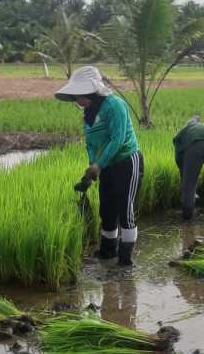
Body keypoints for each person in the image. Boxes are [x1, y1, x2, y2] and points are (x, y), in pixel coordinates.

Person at [55, 66, 143, 266]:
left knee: (125, 210)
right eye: (75, 96)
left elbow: (118, 138)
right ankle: (107, 252)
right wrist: (92, 165)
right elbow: (90, 143)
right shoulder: (88, 114)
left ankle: (125, 261)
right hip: (106, 165)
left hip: (127, 161)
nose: (77, 99)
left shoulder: (114, 105)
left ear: (91, 91)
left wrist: (99, 165)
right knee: (107, 209)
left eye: (79, 94)